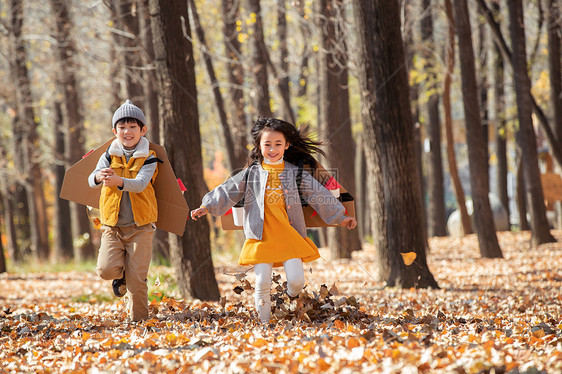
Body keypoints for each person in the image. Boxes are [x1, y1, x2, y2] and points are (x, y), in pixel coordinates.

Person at [191, 117, 357, 323]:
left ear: (286, 145)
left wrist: (341, 217)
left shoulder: (295, 173)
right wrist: (206, 206)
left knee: (297, 281)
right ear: (259, 146)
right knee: (262, 283)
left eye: (278, 144)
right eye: (267, 144)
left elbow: (317, 194)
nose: (272, 148)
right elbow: (228, 189)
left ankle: (289, 298)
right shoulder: (251, 173)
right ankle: (264, 325)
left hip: (290, 234)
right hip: (261, 236)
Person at [88, 99, 159, 322]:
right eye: (122, 127)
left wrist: (118, 180)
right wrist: (99, 176)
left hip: (141, 227)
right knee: (105, 270)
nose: (127, 132)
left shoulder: (149, 157)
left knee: (138, 280)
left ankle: (139, 322)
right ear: (114, 131)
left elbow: (139, 184)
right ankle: (122, 276)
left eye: (132, 127)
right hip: (112, 226)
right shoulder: (109, 154)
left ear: (142, 130)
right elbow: (92, 179)